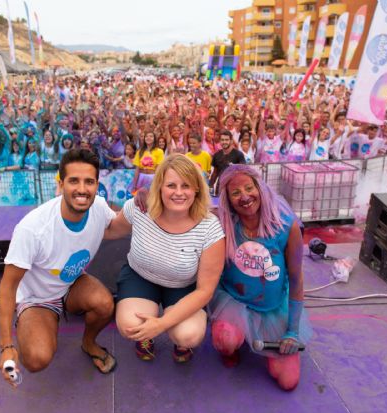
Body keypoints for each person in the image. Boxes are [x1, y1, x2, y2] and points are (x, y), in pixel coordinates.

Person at [0, 149, 119, 387]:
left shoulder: (99, 208)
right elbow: (8, 286)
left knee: (105, 304)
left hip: (71, 284)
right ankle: (32, 321)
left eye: (89, 182)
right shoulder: (33, 228)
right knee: (36, 359)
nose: (82, 189)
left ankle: (89, 343)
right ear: (61, 183)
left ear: (97, 184)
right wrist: (6, 346)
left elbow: (119, 225)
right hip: (38, 298)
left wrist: (144, 203)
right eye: (74, 181)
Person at [110, 154, 225, 363]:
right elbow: (108, 231)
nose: (179, 193)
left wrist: (160, 325)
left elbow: (205, 290)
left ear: (197, 188)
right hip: (140, 276)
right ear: (159, 187)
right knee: (129, 325)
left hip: (183, 285)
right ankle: (144, 336)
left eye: (186, 186)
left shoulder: (209, 228)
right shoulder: (140, 208)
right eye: (171, 185)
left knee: (188, 334)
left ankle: (180, 343)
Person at [209, 164, 312, 391]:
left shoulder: (286, 225)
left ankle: (272, 342)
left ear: (260, 187)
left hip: (272, 308)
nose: (244, 197)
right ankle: (233, 344)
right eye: (235, 193)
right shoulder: (223, 225)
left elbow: (297, 280)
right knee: (225, 341)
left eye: (249, 188)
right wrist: (148, 195)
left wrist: (292, 332)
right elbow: (188, 208)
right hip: (234, 302)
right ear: (227, 199)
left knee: (288, 381)